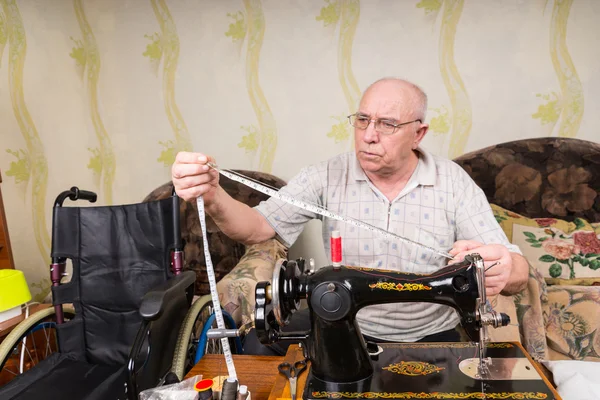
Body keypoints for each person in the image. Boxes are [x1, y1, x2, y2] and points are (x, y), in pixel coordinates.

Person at [171, 78, 529, 351]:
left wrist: (505, 270)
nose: (369, 136)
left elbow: (518, 271)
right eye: (362, 120)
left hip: (432, 334)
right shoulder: (326, 175)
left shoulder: (452, 182)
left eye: (387, 124)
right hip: (344, 325)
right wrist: (213, 194)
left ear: (418, 134)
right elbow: (257, 228)